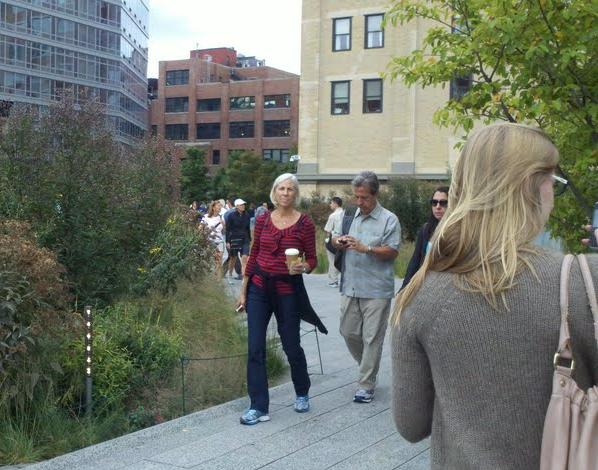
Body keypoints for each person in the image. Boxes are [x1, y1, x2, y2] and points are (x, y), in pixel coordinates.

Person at [390, 123, 598, 469]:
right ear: (532, 186)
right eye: (552, 181)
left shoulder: (420, 294)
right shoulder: (583, 280)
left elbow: (411, 425)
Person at [237, 173, 321, 425]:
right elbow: (253, 256)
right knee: (255, 347)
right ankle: (258, 406)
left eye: (290, 189)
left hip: (287, 290)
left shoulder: (304, 223)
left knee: (291, 345)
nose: (285, 193)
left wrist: (304, 267)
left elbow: (313, 259)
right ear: (275, 192)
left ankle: (302, 390)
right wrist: (243, 290)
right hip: (259, 289)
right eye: (281, 189)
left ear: (296, 194)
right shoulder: (262, 219)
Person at [332, 171, 401, 404]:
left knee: (372, 338)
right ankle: (367, 367)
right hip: (350, 285)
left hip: (377, 289)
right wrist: (339, 241)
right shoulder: (349, 216)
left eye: (364, 198)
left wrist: (367, 248)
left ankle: (366, 384)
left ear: (375, 195)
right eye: (356, 197)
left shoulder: (389, 219)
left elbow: (392, 251)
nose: (359, 202)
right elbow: (333, 238)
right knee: (348, 332)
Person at [400, 186, 449, 289]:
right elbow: (416, 260)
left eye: (443, 203)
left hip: (446, 287)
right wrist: (403, 289)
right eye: (434, 202)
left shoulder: (457, 231)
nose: (438, 207)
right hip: (424, 285)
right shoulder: (426, 229)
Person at [225, 198, 251, 281]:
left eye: (244, 204)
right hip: (234, 238)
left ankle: (244, 277)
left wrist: (250, 239)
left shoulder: (247, 215)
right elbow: (228, 229)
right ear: (236, 206)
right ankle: (230, 275)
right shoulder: (231, 216)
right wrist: (227, 241)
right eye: (241, 205)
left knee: (244, 257)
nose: (243, 206)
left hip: (245, 238)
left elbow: (248, 228)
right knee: (233, 258)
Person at [201, 200, 225, 278]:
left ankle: (216, 277)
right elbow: (200, 227)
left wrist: (224, 225)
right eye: (218, 206)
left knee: (219, 260)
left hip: (220, 240)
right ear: (213, 207)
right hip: (210, 240)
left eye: (220, 206)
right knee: (215, 259)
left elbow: (224, 230)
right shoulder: (206, 217)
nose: (220, 207)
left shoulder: (221, 217)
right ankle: (214, 276)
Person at [324, 196, 344, 287]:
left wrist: (327, 239)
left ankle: (333, 280)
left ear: (336, 204)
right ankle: (344, 279)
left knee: (332, 259)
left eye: (331, 203)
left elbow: (328, 230)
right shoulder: (345, 213)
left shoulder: (333, 215)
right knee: (342, 259)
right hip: (344, 239)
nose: (330, 205)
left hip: (334, 239)